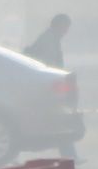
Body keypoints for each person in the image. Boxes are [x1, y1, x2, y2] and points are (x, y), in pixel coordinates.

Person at [25, 14, 81, 161]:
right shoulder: (49, 40)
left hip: (46, 87)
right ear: (58, 25)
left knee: (58, 122)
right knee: (60, 121)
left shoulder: (50, 38)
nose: (66, 31)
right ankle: (70, 156)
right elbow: (49, 66)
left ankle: (70, 155)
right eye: (65, 27)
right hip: (47, 89)